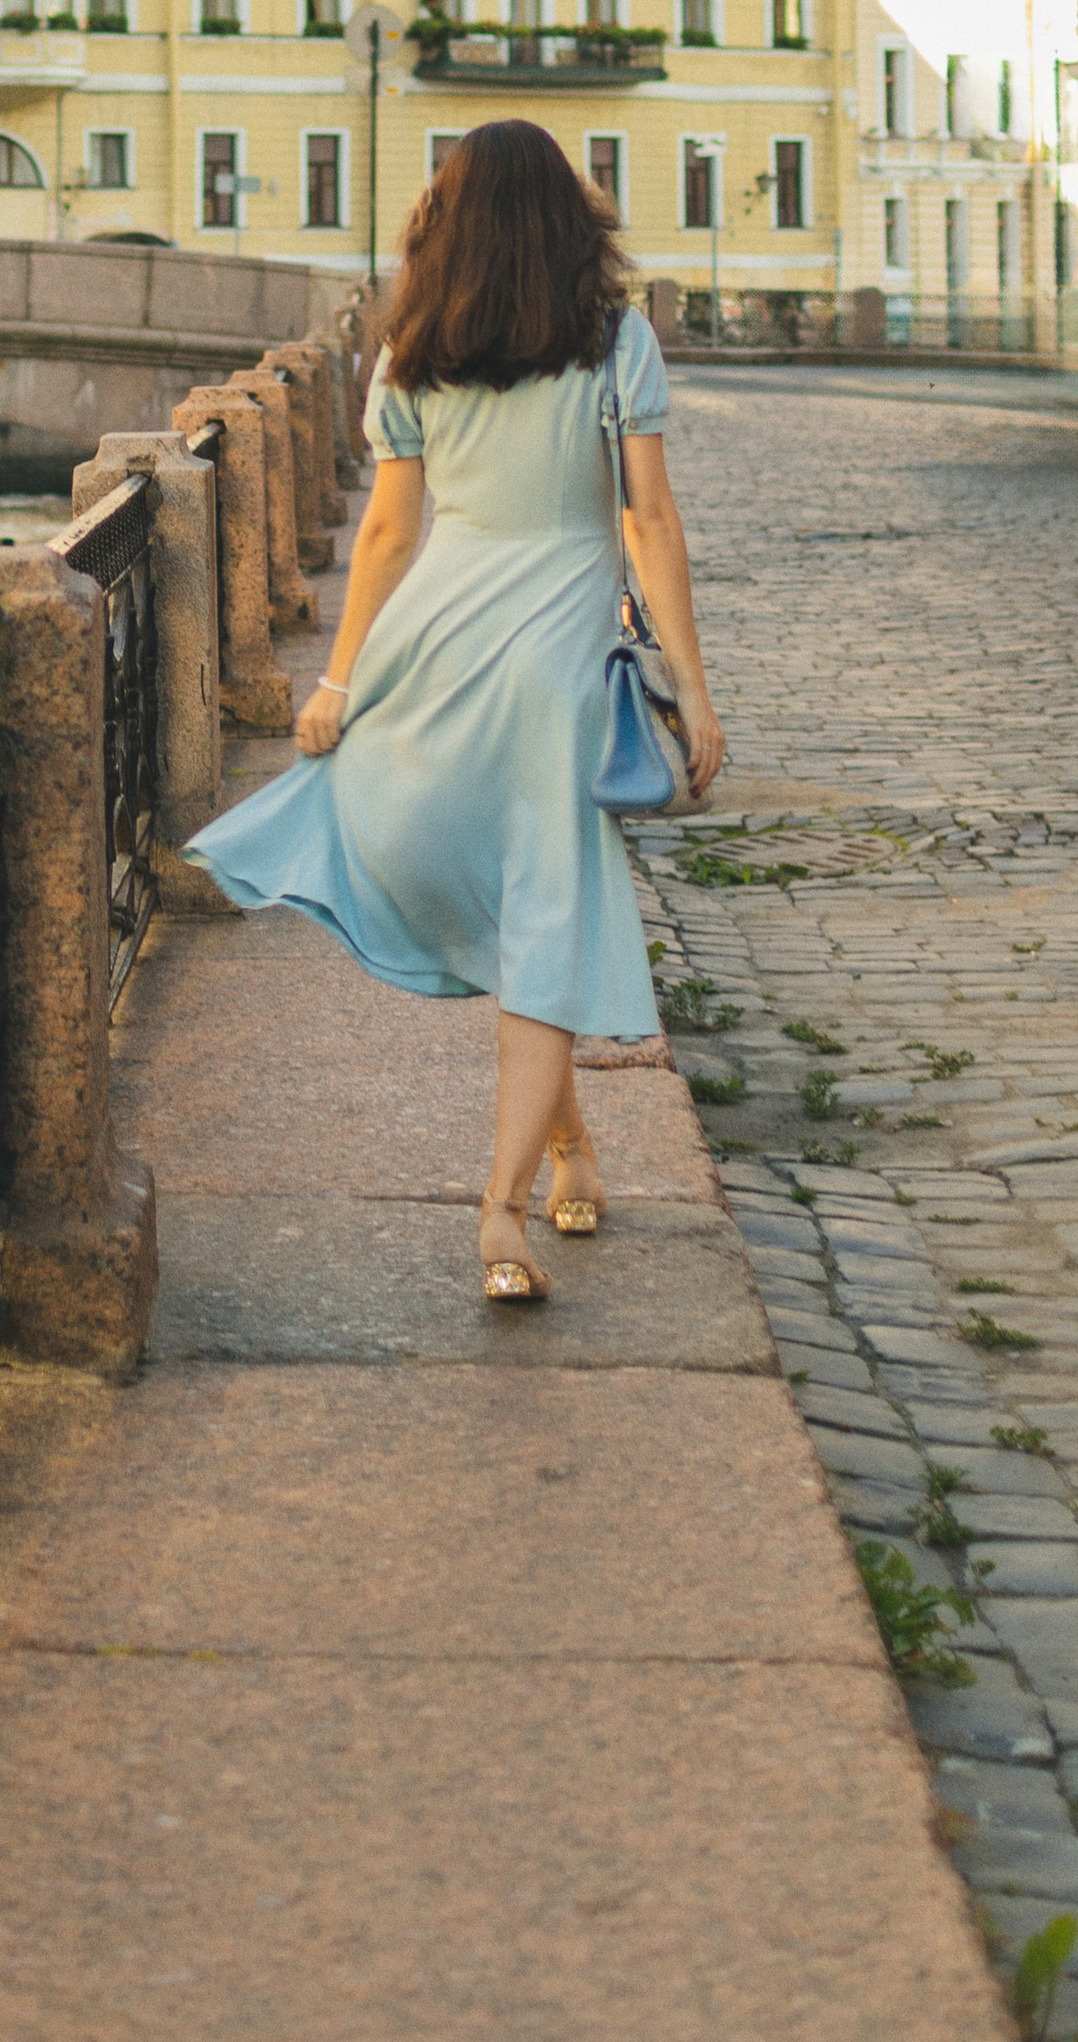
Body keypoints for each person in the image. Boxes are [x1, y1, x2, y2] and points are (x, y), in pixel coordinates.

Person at [186, 119, 725, 1306]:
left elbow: (385, 533)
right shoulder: (615, 341)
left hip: (435, 642)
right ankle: (502, 1208)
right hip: (555, 660)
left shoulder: (412, 348)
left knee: (513, 900)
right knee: (540, 903)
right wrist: (689, 684)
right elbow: (648, 524)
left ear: (450, 222)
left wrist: (337, 682)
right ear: (566, 221)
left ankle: (561, 1153)